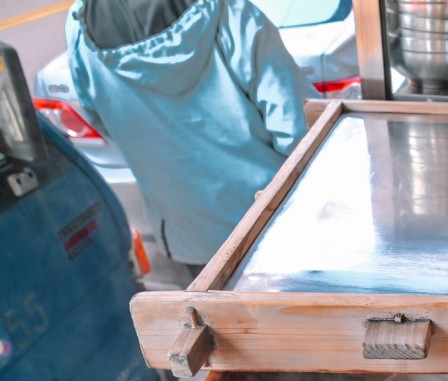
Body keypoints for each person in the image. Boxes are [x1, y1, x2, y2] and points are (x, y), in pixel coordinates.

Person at [65, 0, 317, 276]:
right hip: (275, 224)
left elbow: (104, 121)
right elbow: (299, 129)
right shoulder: (228, 12)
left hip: (191, 239)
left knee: (218, 318)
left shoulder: (80, 27)